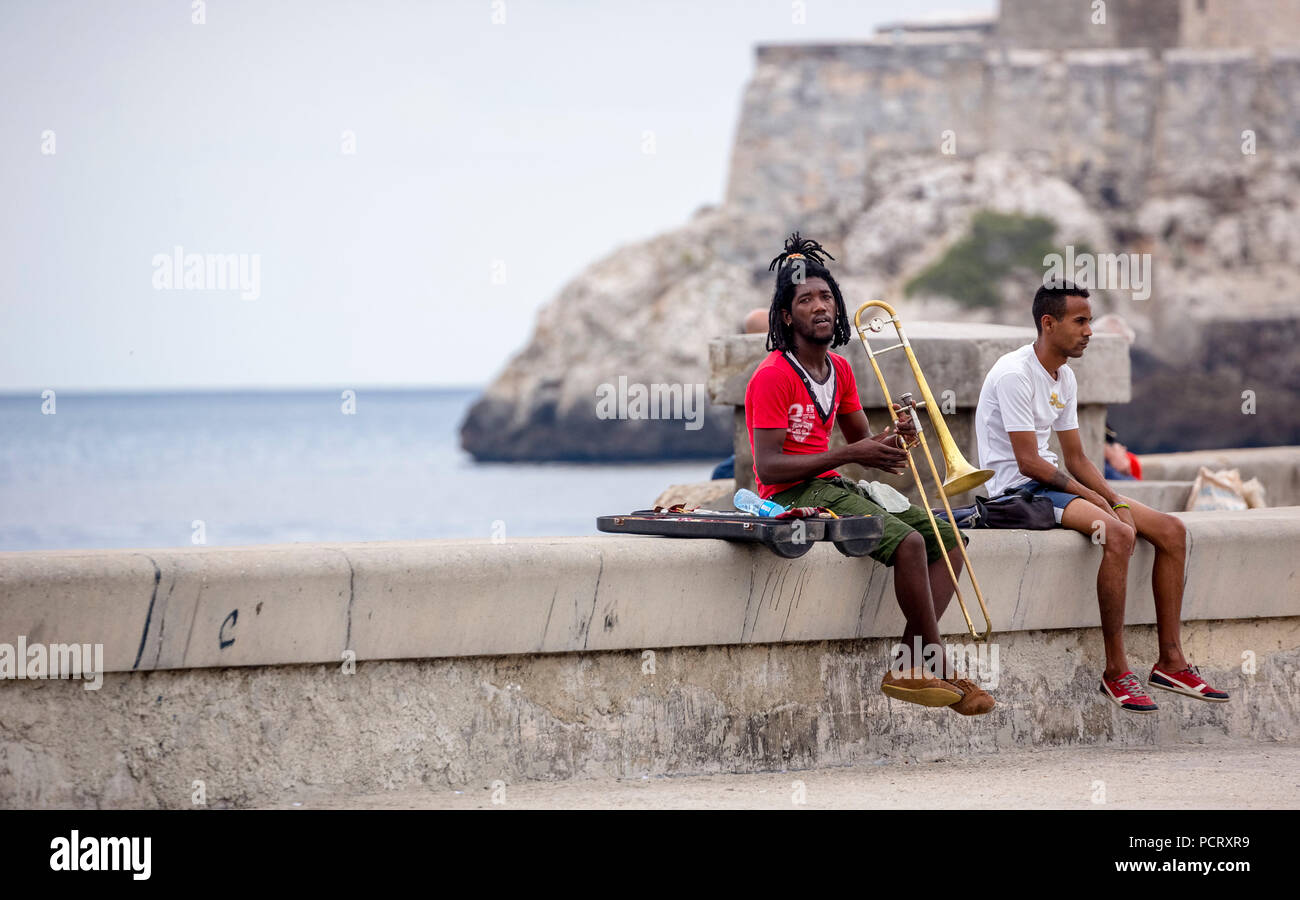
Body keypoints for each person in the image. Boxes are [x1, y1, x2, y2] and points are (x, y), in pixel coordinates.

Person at [746, 233, 993, 715]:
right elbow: (769, 466)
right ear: (785, 316)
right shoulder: (772, 374)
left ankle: (910, 661)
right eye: (805, 300)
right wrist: (848, 453)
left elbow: (867, 441)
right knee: (911, 544)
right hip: (792, 492)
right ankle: (934, 661)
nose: (820, 306)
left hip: (832, 484)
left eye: (826, 297)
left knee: (948, 539)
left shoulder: (839, 367)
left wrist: (898, 436)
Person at [974, 282, 1228, 712]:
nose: (1089, 330)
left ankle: (1170, 660)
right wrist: (1103, 507)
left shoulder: (1064, 376)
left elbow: (1076, 457)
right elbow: (1029, 463)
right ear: (1048, 323)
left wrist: (1116, 499)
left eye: (1090, 320)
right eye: (1081, 321)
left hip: (1050, 484)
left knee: (1172, 530)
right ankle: (1116, 671)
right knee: (1118, 534)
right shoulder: (1015, 373)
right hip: (1017, 492)